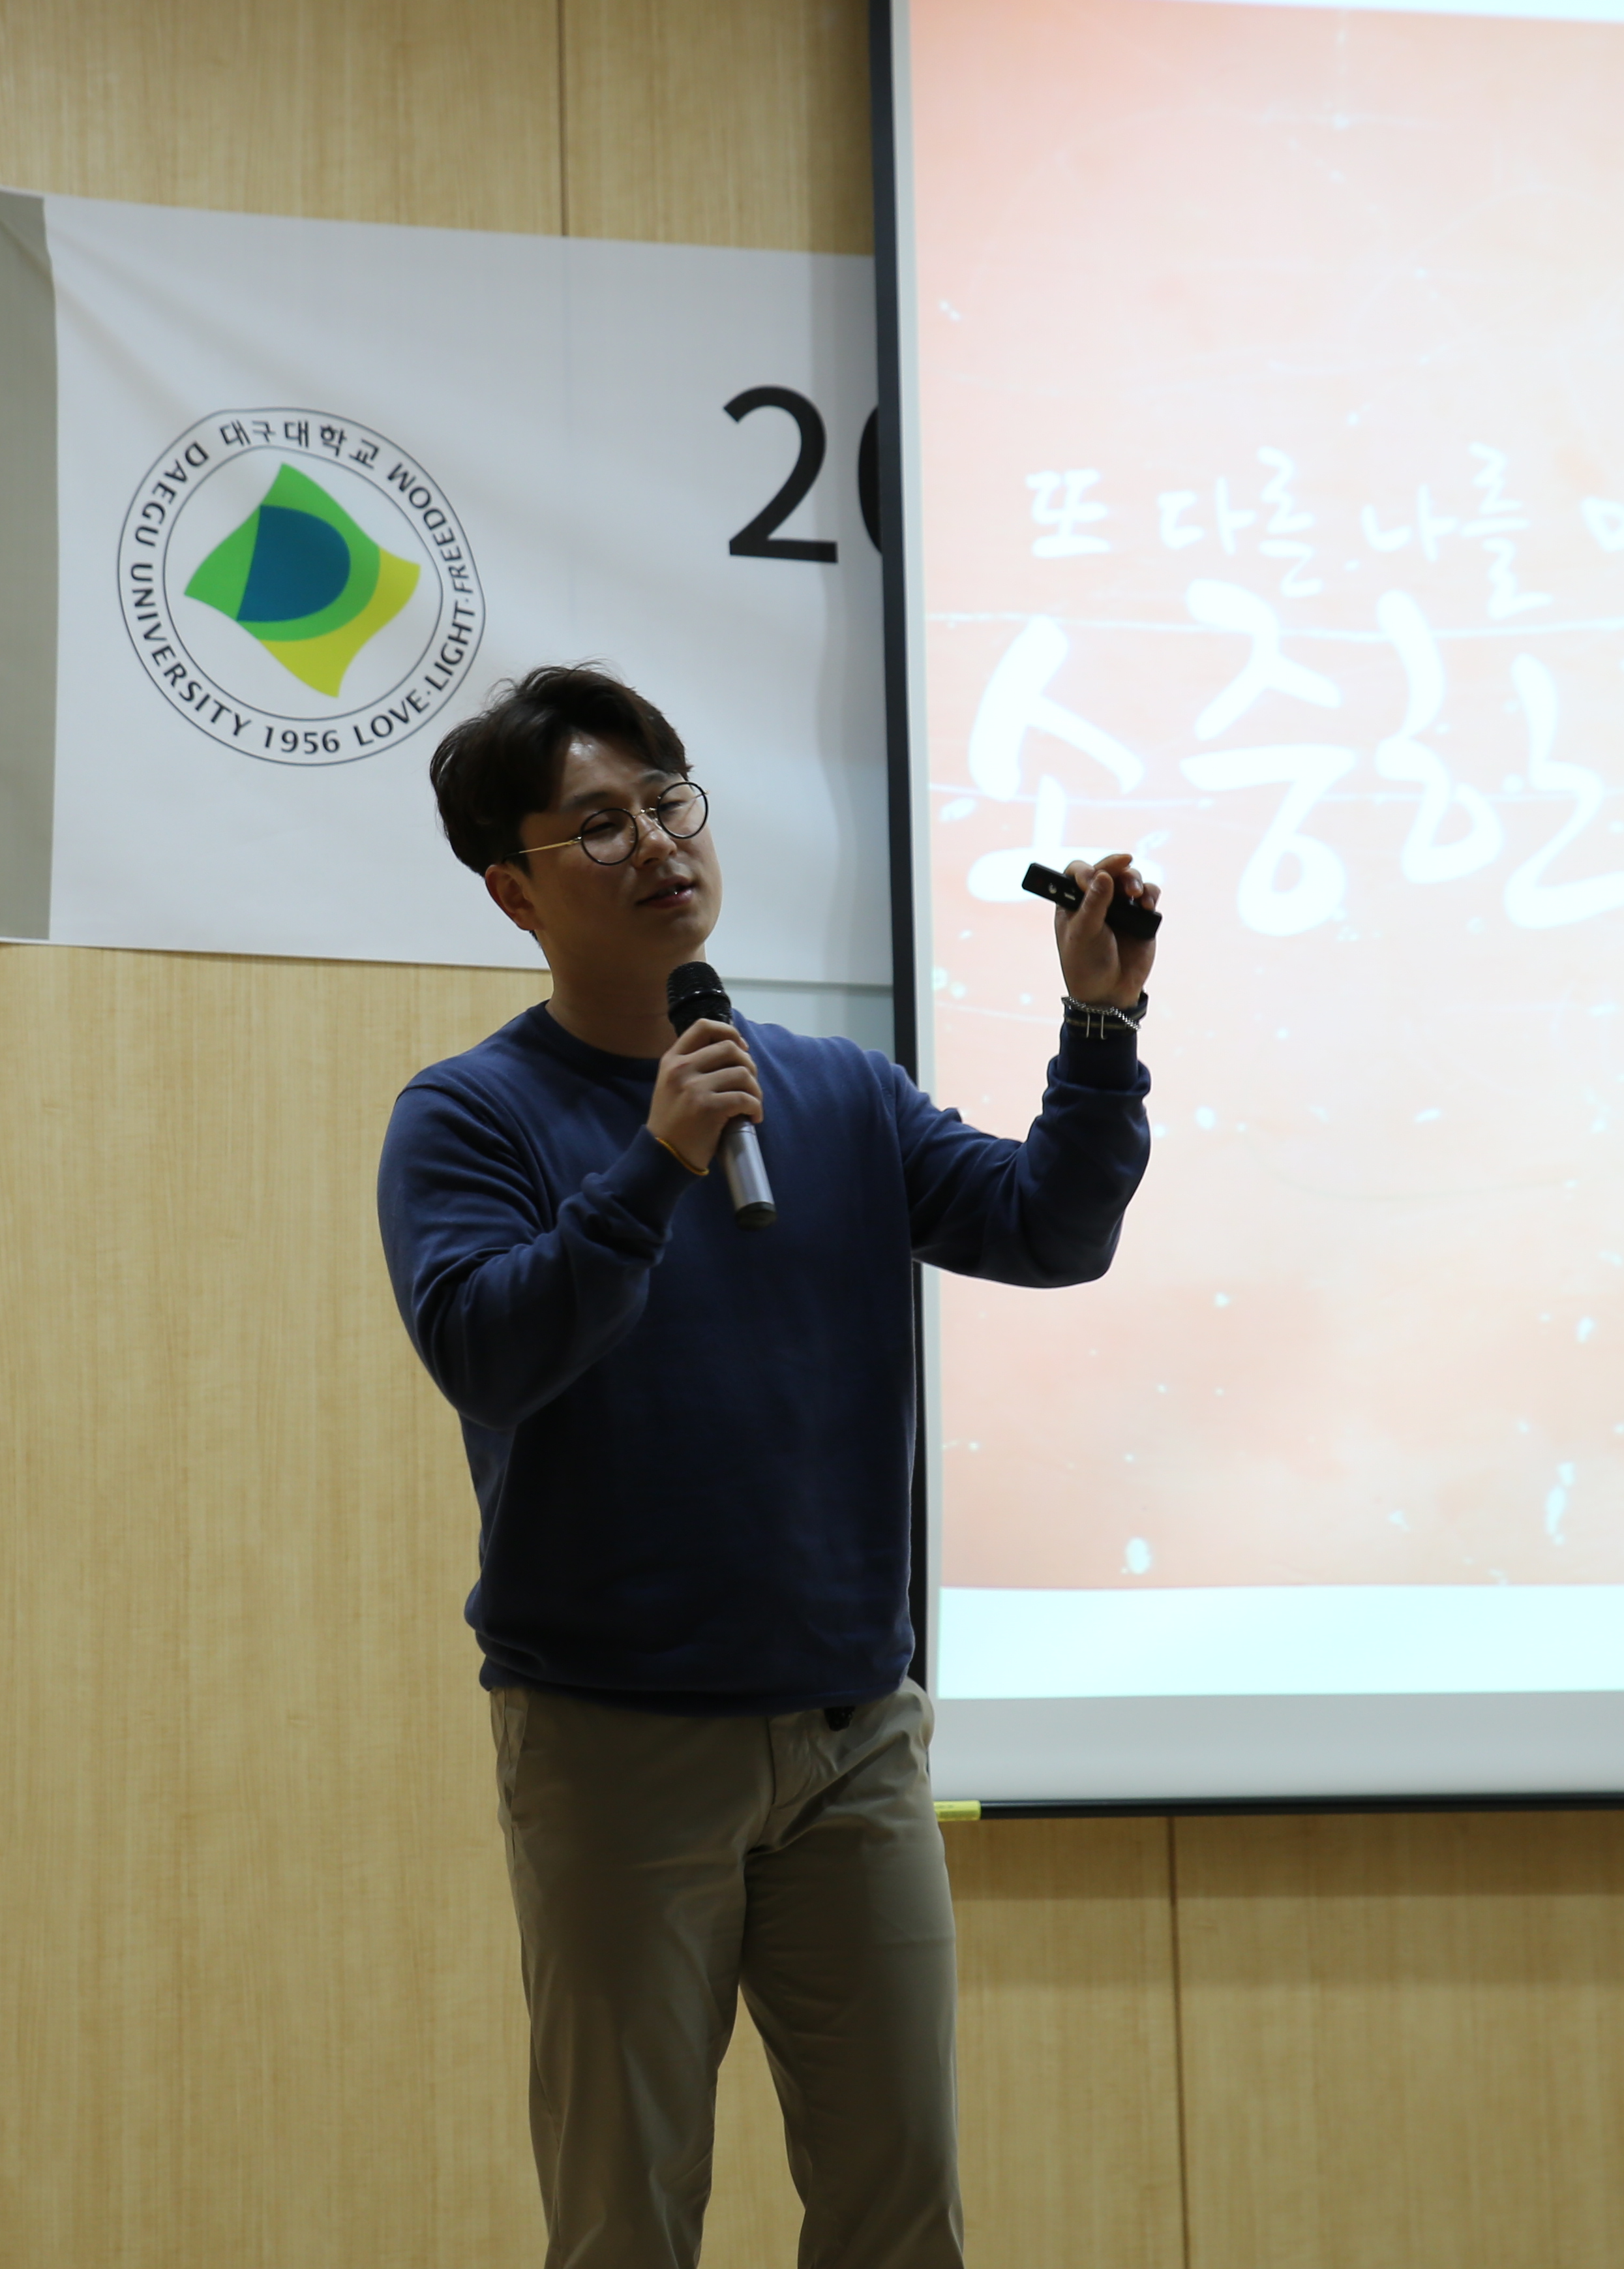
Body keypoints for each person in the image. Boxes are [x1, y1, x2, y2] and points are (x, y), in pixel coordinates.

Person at [376, 664, 1159, 2269]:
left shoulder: (836, 1092)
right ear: (515, 891)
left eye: (669, 802)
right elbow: (488, 1352)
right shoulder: (470, 1116)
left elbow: (1048, 1231)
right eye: (600, 825)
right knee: (627, 2214)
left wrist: (1099, 1025)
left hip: (853, 1736)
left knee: (900, 2210)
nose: (658, 843)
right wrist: (653, 1167)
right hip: (616, 1746)